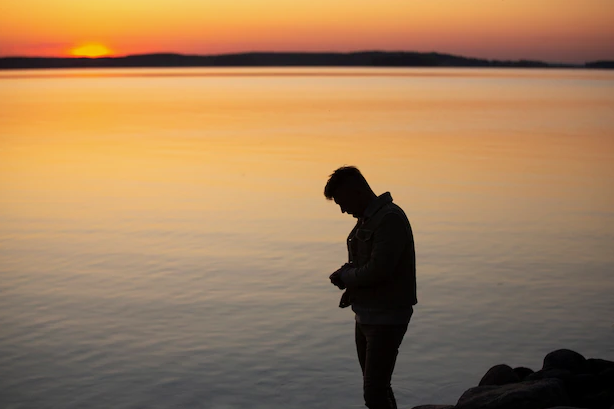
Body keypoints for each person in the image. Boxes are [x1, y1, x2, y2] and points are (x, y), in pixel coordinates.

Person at [325, 166, 417, 409]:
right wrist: (346, 272)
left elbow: (379, 269)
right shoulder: (369, 220)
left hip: (387, 317)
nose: (343, 210)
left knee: (374, 392)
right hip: (367, 314)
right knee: (379, 387)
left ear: (356, 192)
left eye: (342, 202)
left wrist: (347, 276)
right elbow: (367, 264)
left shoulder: (389, 219)